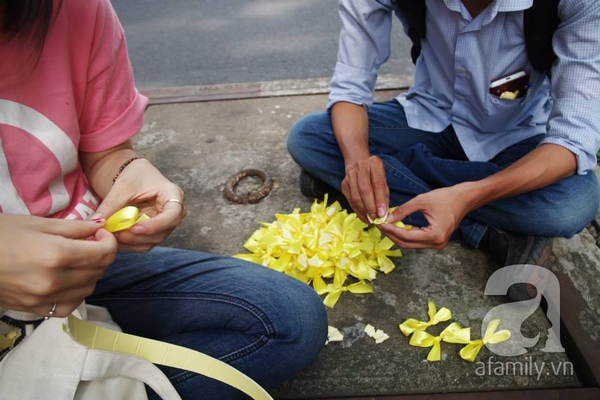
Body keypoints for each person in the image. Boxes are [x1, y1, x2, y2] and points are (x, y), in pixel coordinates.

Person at [0, 0, 327, 398]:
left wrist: (128, 171)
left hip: (84, 262)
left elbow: (106, 152)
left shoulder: (78, 10)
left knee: (290, 318)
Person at [287, 0, 600, 301]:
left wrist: (467, 196)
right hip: (430, 116)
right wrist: (357, 162)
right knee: (312, 136)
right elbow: (350, 87)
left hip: (519, 135)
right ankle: (489, 233)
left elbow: (573, 139)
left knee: (572, 204)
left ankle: (398, 173)